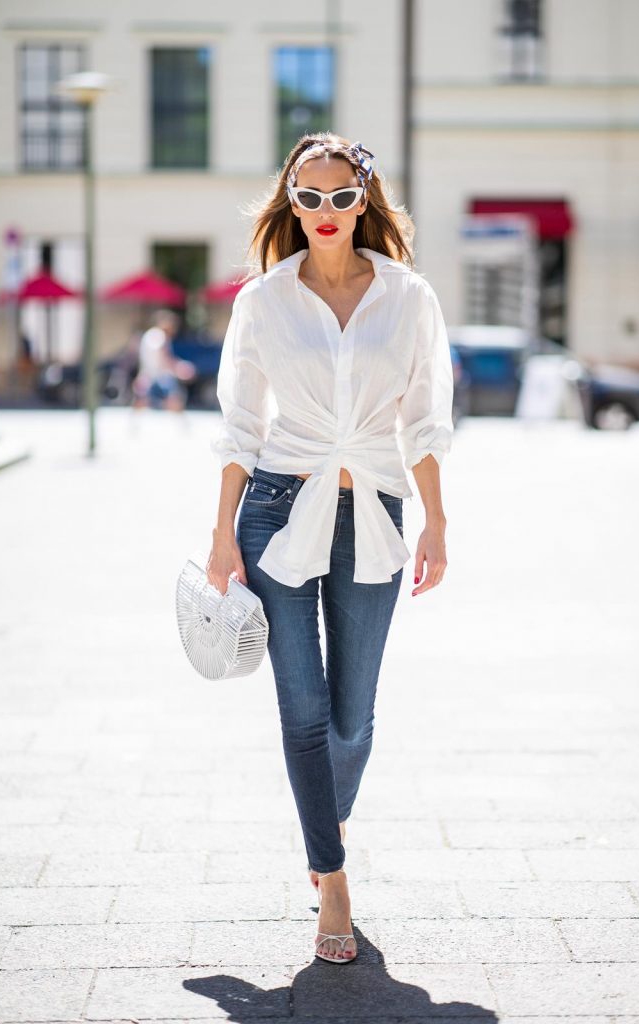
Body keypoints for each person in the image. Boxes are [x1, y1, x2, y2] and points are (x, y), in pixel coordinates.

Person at [205, 132, 453, 965]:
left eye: (340, 197)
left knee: (353, 720)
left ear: (364, 200)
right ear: (289, 201)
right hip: (277, 510)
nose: (323, 213)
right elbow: (241, 425)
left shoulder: (408, 296)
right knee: (304, 714)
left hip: (375, 511)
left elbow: (422, 417)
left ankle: (325, 816)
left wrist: (438, 521)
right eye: (307, 198)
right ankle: (333, 876)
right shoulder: (264, 300)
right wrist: (219, 534)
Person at [131, 310, 193, 413]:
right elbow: (164, 357)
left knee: (142, 400)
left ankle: (133, 424)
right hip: (160, 375)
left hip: (147, 374)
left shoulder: (149, 335)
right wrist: (178, 368)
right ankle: (180, 425)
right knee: (174, 397)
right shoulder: (160, 336)